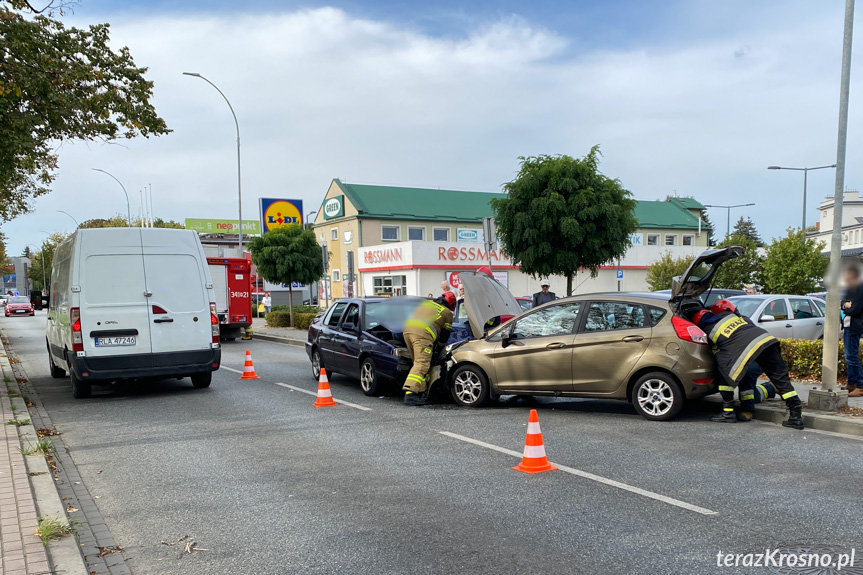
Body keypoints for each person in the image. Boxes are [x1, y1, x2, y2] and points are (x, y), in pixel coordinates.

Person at [692, 299, 804, 430]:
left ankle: (728, 412)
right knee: (780, 379)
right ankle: (796, 417)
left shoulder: (704, 327)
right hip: (767, 341)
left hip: (745, 349)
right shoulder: (737, 318)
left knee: (724, 371)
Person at [402, 292, 455, 406]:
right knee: (422, 364)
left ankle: (420, 392)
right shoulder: (447, 313)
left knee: (417, 363)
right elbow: (445, 336)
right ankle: (410, 394)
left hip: (407, 331)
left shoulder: (426, 303)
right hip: (422, 335)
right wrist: (438, 348)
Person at [841, 266, 863, 397]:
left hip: (855, 326)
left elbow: (854, 309)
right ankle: (852, 383)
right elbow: (842, 303)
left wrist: (847, 307)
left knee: (851, 356)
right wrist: (845, 305)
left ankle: (860, 385)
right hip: (848, 325)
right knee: (848, 356)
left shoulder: (859, 290)